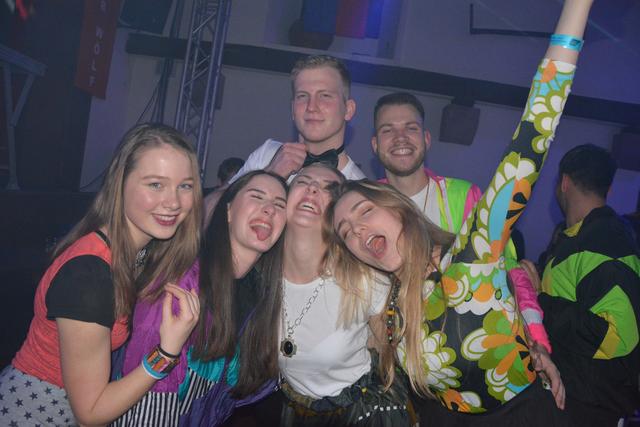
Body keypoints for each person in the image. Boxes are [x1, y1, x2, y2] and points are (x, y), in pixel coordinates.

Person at [327, 0, 594, 424]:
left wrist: (536, 343)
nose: (356, 230)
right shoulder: (389, 306)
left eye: (363, 212)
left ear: (399, 210)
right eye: (345, 231)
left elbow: (533, 134)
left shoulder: (472, 255)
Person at [0, 123, 202, 426]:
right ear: (120, 184)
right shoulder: (90, 276)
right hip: (33, 413)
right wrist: (166, 352)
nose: (173, 202)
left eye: (185, 186)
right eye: (155, 185)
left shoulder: (134, 252)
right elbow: (91, 412)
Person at [372, 91, 551, 353]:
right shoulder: (367, 205)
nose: (401, 137)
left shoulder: (463, 196)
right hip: (390, 351)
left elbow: (509, 270)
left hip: (464, 348)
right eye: (388, 130)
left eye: (411, 128)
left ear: (426, 139)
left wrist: (537, 339)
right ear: (375, 145)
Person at [114, 170, 288, 426]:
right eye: (257, 196)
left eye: (279, 205)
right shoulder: (184, 279)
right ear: (228, 211)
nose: (269, 209)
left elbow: (234, 385)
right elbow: (146, 393)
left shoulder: (259, 293)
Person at [276, 163, 412, 426]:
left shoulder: (364, 279)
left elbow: (391, 356)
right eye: (303, 181)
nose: (312, 188)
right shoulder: (262, 275)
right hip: (295, 411)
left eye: (328, 188)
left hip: (361, 413)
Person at [534, 144, 640, 426]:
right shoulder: (576, 238)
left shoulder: (607, 242)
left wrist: (540, 301)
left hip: (589, 407)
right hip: (566, 394)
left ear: (564, 183)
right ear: (609, 190)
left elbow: (617, 336)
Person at [204, 55, 367, 218]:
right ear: (292, 109)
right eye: (302, 96)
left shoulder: (360, 190)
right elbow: (205, 216)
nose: (311, 107)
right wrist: (270, 174)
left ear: (348, 110)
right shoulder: (269, 154)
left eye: (324, 96)